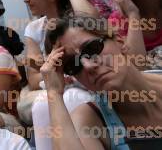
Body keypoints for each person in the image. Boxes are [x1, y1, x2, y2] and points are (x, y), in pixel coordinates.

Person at [41, 14, 162, 149]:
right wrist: (54, 93)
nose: (88, 66)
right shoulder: (90, 121)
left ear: (119, 41)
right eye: (73, 65)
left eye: (91, 49)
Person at [21, 0, 97, 149]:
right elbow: (33, 80)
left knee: (67, 97)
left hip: (87, 83)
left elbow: (94, 20)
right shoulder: (34, 29)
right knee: (42, 104)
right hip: (55, 89)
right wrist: (59, 74)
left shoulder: (76, 19)